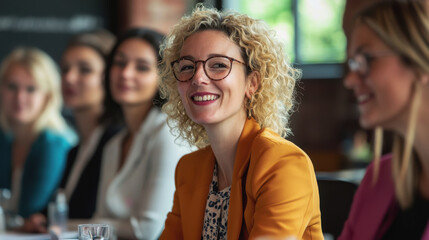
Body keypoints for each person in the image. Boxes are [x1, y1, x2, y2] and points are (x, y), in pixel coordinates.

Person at [159, 5, 323, 239]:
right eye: (187, 67)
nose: (198, 78)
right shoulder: (188, 169)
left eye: (218, 65)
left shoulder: (283, 164)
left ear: (252, 83)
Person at [72, 28, 190, 239]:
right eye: (119, 63)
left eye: (142, 67)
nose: (126, 73)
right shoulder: (114, 143)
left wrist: (82, 224)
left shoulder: (169, 133)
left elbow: (147, 231)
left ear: (163, 78)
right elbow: (100, 226)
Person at [339, 1, 429, 239]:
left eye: (366, 59)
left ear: (420, 61)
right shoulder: (377, 180)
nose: (349, 80)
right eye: (353, 63)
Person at [0, 47, 72, 231]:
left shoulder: (53, 145)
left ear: (47, 96)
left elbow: (28, 214)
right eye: (12, 87)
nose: (19, 97)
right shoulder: (6, 139)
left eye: (31, 89)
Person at [59, 29, 121, 220]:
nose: (69, 78)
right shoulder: (75, 150)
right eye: (65, 69)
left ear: (110, 77)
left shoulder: (117, 140)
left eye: (84, 70)